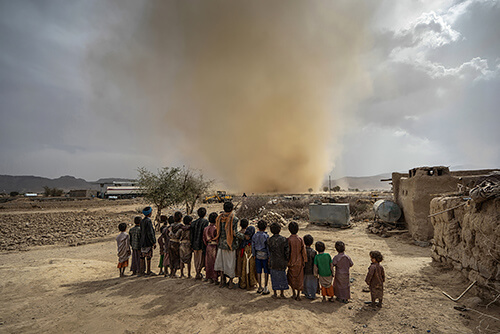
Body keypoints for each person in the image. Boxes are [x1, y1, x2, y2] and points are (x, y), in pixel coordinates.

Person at [213, 201, 244, 289]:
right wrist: (243, 236)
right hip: (230, 245)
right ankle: (230, 283)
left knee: (222, 264)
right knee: (230, 264)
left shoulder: (219, 218)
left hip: (221, 244)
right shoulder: (234, 219)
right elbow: (234, 233)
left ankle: (222, 281)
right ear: (232, 209)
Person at [268, 222, 290, 299]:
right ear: (280, 230)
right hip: (282, 261)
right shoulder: (284, 239)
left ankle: (275, 293)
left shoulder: (270, 240)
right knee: (282, 276)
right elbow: (287, 252)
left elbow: (269, 251)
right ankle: (282, 293)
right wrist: (287, 260)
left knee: (274, 277)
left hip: (273, 261)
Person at [287, 221, 307, 301]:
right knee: (299, 278)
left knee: (292, 278)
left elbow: (287, 252)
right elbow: (303, 251)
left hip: (291, 262)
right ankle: (298, 294)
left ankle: (293, 293)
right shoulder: (300, 239)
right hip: (299, 262)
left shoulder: (288, 240)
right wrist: (304, 260)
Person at [252, 220, 270, 295]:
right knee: (266, 272)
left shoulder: (255, 236)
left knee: (259, 272)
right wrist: (269, 256)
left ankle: (260, 287)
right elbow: (268, 247)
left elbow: (253, 247)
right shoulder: (266, 236)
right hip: (265, 255)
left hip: (258, 255)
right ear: (265, 228)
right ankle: (265, 287)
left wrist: (254, 255)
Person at [191, 207, 209, 280]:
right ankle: (198, 273)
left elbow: (191, 235)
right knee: (201, 260)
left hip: (195, 244)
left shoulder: (193, 223)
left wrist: (192, 244)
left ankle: (197, 273)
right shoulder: (205, 222)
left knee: (196, 259)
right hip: (202, 244)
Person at [238, 224, 257, 290]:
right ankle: (244, 283)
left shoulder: (253, 242)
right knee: (244, 270)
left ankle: (252, 283)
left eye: (248, 235)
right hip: (245, 258)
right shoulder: (244, 242)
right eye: (246, 235)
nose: (246, 237)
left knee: (251, 270)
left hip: (251, 258)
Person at [140, 206, 156, 276]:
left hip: (142, 241)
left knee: (142, 256)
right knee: (149, 257)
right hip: (147, 241)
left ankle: (142, 271)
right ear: (149, 213)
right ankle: (148, 271)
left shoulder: (142, 221)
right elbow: (150, 232)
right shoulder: (148, 221)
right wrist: (153, 242)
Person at [203, 212, 219, 284]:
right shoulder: (216, 228)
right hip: (214, 246)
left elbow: (204, 239)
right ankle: (215, 278)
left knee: (208, 263)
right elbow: (218, 238)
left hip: (208, 246)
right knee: (215, 262)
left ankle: (209, 277)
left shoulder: (206, 228)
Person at [303, 234, 318, 300]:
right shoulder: (313, 252)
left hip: (304, 270)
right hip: (312, 270)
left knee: (306, 282)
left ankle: (307, 293)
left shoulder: (303, 251)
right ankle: (312, 294)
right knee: (312, 283)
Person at [168, 211, 183, 277]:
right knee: (177, 258)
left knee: (171, 258)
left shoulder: (171, 225)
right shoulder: (180, 226)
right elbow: (178, 236)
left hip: (170, 242)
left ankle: (171, 272)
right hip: (176, 243)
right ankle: (174, 272)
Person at [235, 218, 249, 285]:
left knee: (239, 265)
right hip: (246, 252)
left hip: (239, 251)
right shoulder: (248, 234)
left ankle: (240, 280)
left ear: (240, 225)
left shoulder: (239, 233)